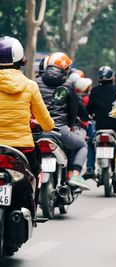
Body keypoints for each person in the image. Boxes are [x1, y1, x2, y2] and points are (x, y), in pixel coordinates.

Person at [0, 36, 55, 204]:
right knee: (36, 171)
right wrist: (48, 125)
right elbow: (46, 123)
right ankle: (32, 208)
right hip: (23, 149)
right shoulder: (30, 85)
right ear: (20, 59)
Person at [36, 52, 90, 190]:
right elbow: (73, 111)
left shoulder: (35, 83)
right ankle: (75, 176)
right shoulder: (68, 84)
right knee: (82, 145)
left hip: (37, 131)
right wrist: (70, 126)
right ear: (65, 69)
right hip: (60, 131)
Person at [86, 66, 116, 176]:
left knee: (90, 144)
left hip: (100, 128)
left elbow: (89, 109)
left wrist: (88, 116)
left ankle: (89, 168)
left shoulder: (94, 91)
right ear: (112, 77)